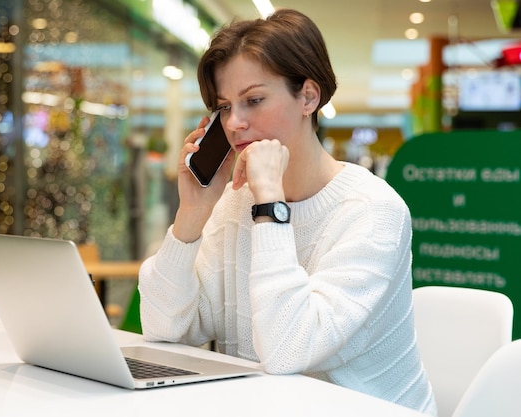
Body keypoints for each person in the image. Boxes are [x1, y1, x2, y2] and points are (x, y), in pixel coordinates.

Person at [138, 8, 436, 416]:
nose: (235, 123)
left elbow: (287, 350)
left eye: (253, 100)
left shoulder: (374, 211)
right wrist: (191, 215)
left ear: (308, 97)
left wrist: (269, 206)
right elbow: (163, 328)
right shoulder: (234, 204)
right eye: (224, 107)